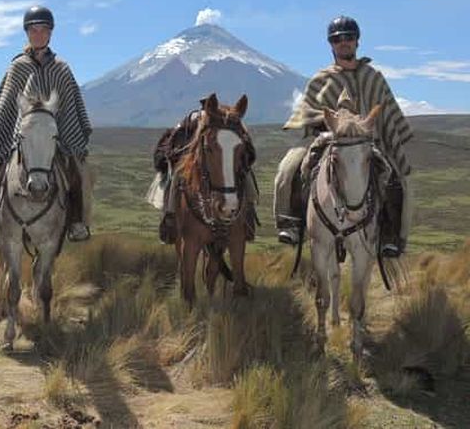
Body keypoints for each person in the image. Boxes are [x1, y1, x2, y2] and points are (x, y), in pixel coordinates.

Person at [273, 15, 413, 257]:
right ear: (331, 45)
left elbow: (387, 113)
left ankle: (389, 235)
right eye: (338, 39)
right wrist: (328, 122)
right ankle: (292, 224)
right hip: (328, 140)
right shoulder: (322, 79)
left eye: (349, 38)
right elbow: (307, 111)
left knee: (395, 179)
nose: (344, 42)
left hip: (368, 143)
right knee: (287, 170)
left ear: (357, 42)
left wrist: (376, 134)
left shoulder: (373, 77)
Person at [0, 5, 93, 242]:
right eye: (34, 30)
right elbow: (2, 105)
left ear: (51, 33)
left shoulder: (62, 69)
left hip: (55, 139)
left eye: (44, 29)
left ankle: (77, 222)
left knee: (84, 174)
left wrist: (71, 141)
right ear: (27, 33)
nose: (39, 34)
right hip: (17, 138)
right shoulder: (18, 67)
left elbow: (71, 108)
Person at [152, 100, 259, 244]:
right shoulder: (193, 119)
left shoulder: (225, 120)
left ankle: (248, 213)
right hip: (193, 158)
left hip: (216, 157)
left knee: (245, 174)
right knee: (177, 175)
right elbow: (175, 139)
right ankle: (170, 215)